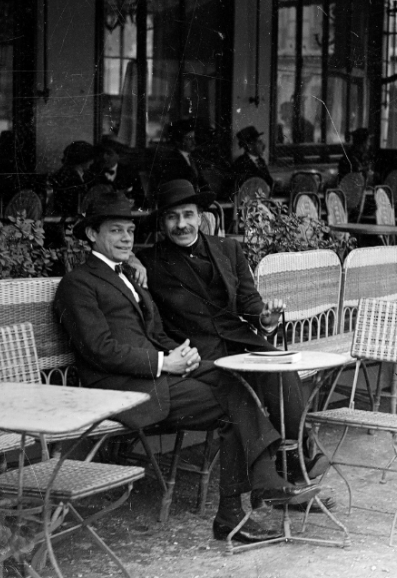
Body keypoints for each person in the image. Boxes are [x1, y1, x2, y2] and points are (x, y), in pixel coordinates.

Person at [54, 191, 320, 544]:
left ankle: (248, 499)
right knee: (232, 402)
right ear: (92, 235)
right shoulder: (78, 284)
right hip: (122, 387)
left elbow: (154, 333)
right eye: (115, 231)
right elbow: (99, 350)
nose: (125, 239)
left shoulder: (130, 276)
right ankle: (250, 497)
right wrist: (166, 362)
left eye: (129, 232)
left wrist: (182, 356)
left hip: (153, 373)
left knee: (237, 381)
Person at [137, 179, 331, 491]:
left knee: (280, 368)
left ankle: (293, 458)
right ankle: (287, 469)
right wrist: (132, 260)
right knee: (243, 389)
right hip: (199, 352)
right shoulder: (149, 261)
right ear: (162, 222)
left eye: (188, 215)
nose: (181, 224)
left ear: (200, 217)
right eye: (172, 217)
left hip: (239, 342)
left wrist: (265, 317)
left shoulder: (228, 249)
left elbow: (249, 302)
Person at [149, 118, 209, 196]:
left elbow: (201, 182)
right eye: (189, 139)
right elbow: (176, 187)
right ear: (178, 141)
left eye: (194, 138)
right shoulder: (172, 160)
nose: (194, 142)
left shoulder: (192, 159)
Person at [91, 136, 145, 208]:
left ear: (118, 156)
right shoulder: (92, 172)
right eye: (102, 153)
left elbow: (141, 200)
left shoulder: (130, 172)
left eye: (109, 153)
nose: (104, 157)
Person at [49, 140, 96, 217]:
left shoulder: (83, 175)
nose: (92, 162)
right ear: (83, 159)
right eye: (90, 159)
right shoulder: (69, 178)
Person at [232, 125, 274, 190]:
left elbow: (269, 181)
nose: (263, 145)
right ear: (250, 146)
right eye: (259, 142)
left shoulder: (261, 161)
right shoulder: (241, 163)